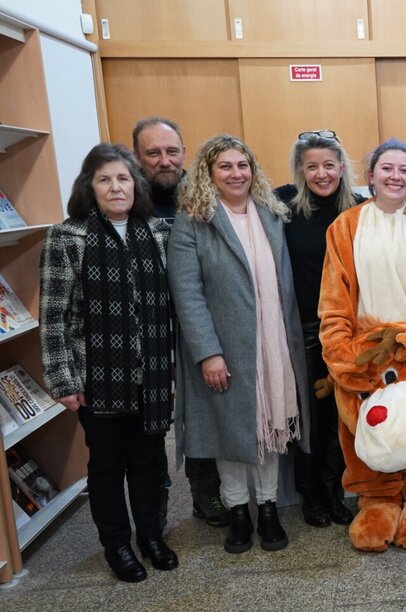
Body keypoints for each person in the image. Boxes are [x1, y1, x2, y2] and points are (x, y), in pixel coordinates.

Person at [275, 129, 406, 528]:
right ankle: (311, 494)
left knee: (346, 415)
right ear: (300, 171)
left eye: (329, 165)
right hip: (308, 327)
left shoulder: (361, 209)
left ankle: (335, 492)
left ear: (344, 169)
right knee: (314, 415)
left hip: (357, 334)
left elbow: (396, 208)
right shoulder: (282, 207)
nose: (322, 173)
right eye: (312, 166)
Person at [39, 143, 177, 583]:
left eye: (123, 178)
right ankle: (117, 544)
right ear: (90, 187)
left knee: (149, 460)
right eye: (105, 179)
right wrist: (63, 378)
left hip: (151, 373)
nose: (116, 187)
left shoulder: (157, 231)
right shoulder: (68, 237)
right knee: (106, 465)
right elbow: (53, 316)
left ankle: (151, 535)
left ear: (135, 185)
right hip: (95, 376)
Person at [168, 134, 309, 554]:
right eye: (225, 166)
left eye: (242, 165)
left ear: (253, 170)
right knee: (230, 432)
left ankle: (267, 509)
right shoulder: (192, 220)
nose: (236, 173)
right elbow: (187, 294)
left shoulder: (271, 213)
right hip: (225, 348)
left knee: (270, 427)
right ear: (208, 173)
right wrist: (208, 353)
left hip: (273, 344)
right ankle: (238, 512)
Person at [319, 138, 406, 552]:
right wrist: (342, 353)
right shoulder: (345, 227)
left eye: (404, 170)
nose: (395, 176)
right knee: (367, 432)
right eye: (387, 169)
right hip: (365, 353)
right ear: (370, 177)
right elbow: (334, 301)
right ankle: (378, 504)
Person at [132, 116, 229, 528]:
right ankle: (157, 501)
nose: (164, 161)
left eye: (172, 151)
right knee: (156, 418)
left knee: (204, 406)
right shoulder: (128, 201)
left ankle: (208, 489)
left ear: (184, 153)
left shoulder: (206, 194)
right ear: (138, 158)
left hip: (203, 319)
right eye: (153, 153)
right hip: (146, 327)